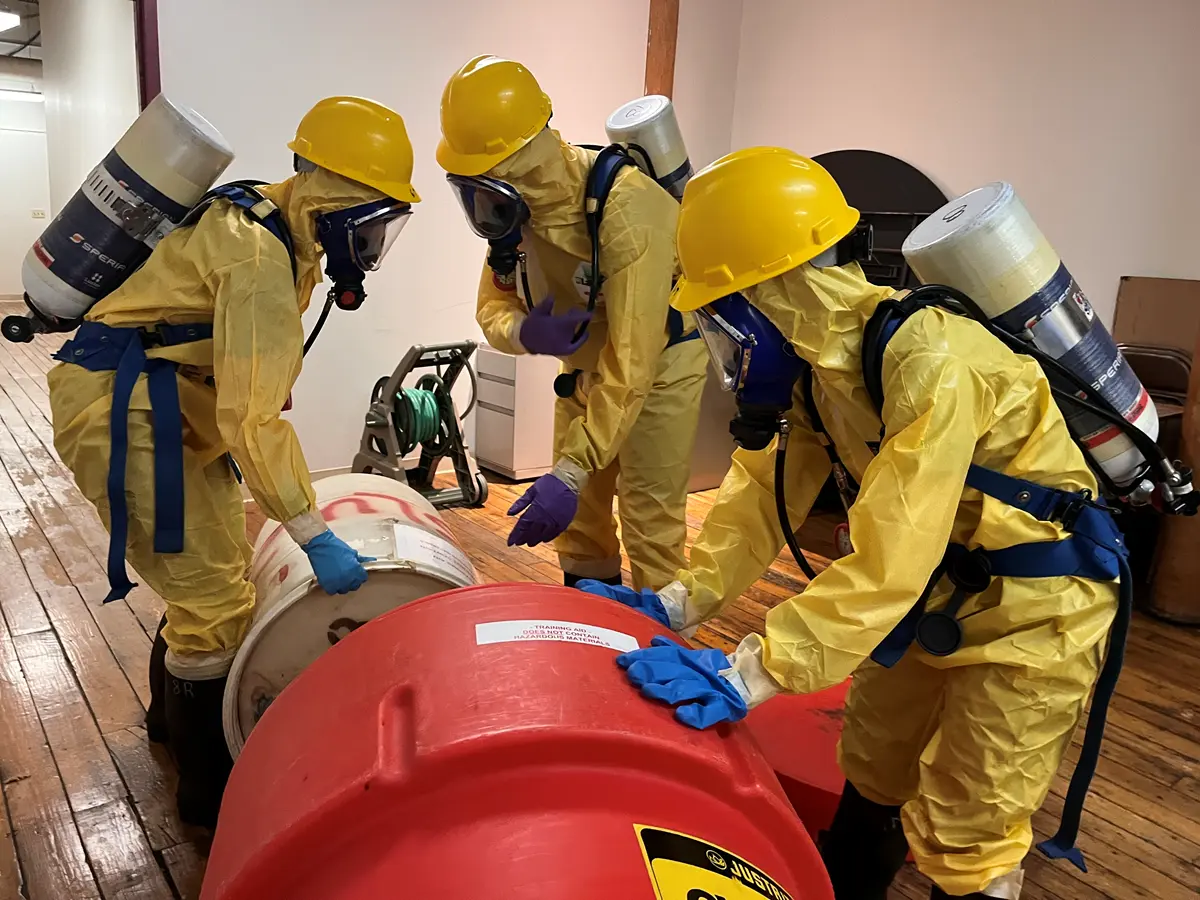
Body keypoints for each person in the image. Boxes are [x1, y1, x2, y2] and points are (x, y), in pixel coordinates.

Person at [578, 148, 1122, 899]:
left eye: (722, 313)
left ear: (773, 291)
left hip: (1036, 615)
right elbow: (761, 497)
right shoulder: (823, 373)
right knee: (874, 760)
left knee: (972, 822)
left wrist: (754, 671)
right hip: (933, 594)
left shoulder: (931, 362)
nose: (724, 343)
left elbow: (893, 552)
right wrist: (683, 599)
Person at [48, 96, 420, 828]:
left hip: (171, 409)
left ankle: (168, 725)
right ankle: (211, 800)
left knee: (211, 582)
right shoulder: (258, 253)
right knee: (214, 605)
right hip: (125, 413)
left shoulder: (277, 225)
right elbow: (252, 419)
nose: (372, 246)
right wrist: (313, 531)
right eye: (371, 224)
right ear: (334, 198)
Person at [436, 55, 709, 591]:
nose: (481, 192)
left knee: (649, 516)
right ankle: (590, 624)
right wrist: (523, 332)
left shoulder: (628, 208)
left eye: (487, 172)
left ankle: (667, 643)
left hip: (659, 372)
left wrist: (569, 467)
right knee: (581, 517)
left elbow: (634, 360)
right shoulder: (514, 211)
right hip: (583, 371)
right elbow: (491, 306)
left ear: (518, 157)